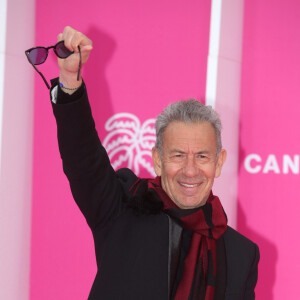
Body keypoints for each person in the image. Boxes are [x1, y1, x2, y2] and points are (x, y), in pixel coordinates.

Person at [50, 26, 259, 300]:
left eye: (203, 156)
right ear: (158, 160)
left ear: (219, 163)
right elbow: (83, 160)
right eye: (178, 155)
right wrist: (69, 80)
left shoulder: (241, 254)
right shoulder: (121, 208)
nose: (190, 170)